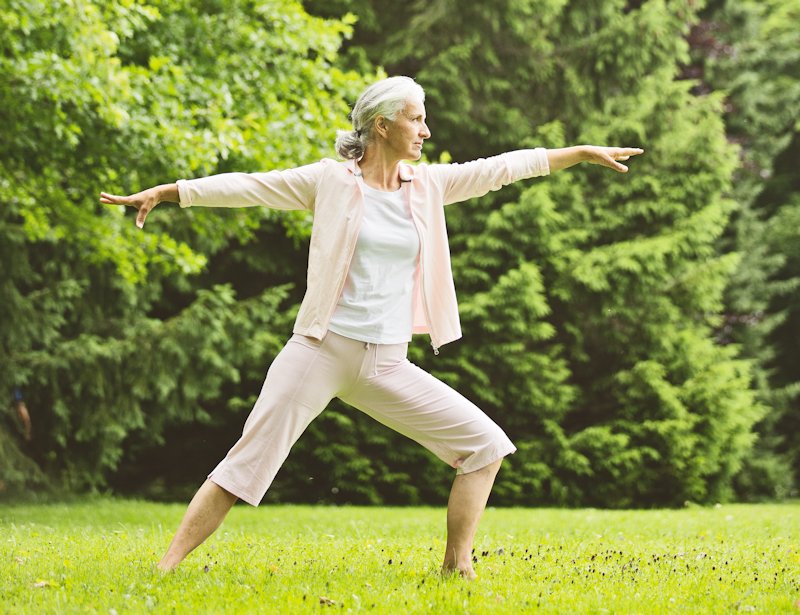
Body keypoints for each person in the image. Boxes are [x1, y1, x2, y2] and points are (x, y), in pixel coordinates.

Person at [100, 76, 643, 578]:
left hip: (386, 362)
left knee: (485, 447)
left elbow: (501, 168)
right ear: (382, 125)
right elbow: (250, 186)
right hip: (320, 351)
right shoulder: (329, 181)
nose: (426, 130)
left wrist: (578, 153)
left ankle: (456, 568)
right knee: (245, 465)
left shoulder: (428, 185)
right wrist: (169, 192)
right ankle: (163, 572)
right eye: (416, 119)